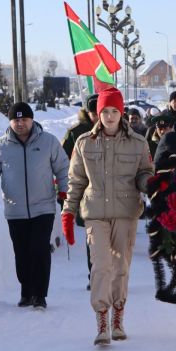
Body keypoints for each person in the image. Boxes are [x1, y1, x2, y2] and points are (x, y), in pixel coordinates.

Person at [61, 87, 153, 345]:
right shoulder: (84, 143)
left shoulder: (138, 142)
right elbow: (76, 181)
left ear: (121, 112)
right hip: (96, 214)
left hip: (125, 213)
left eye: (115, 111)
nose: (110, 116)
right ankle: (102, 318)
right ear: (97, 113)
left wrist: (151, 184)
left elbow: (144, 173)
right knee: (101, 266)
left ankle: (118, 316)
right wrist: (68, 212)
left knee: (121, 267)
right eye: (105, 111)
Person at [0, 102, 70, 310]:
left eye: (24, 119)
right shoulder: (0, 146)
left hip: (43, 207)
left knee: (39, 249)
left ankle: (40, 294)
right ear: (10, 122)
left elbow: (63, 168)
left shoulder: (48, 142)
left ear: (32, 119)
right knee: (22, 253)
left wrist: (64, 192)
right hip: (15, 210)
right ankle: (26, 291)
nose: (20, 123)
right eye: (16, 120)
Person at [61, 93, 99, 289]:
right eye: (93, 112)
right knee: (92, 237)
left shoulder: (115, 130)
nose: (97, 116)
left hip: (113, 193)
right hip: (87, 194)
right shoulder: (76, 133)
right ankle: (94, 276)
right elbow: (62, 159)